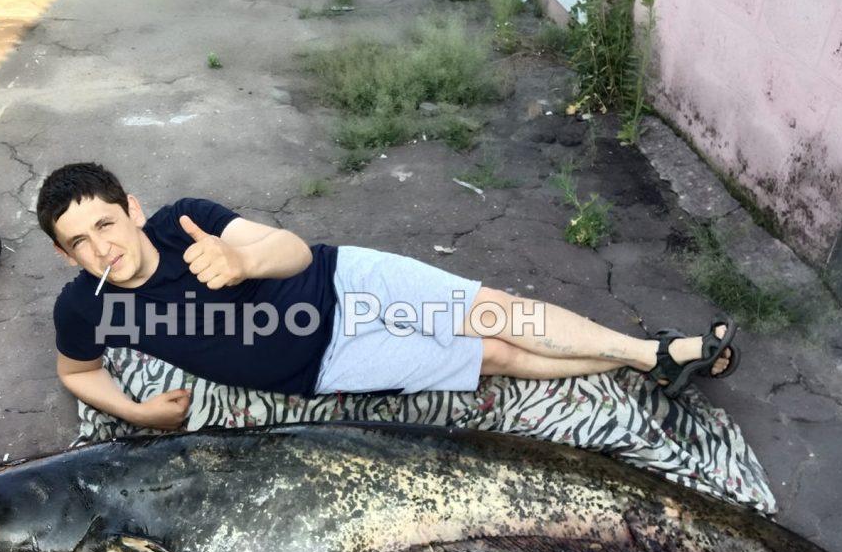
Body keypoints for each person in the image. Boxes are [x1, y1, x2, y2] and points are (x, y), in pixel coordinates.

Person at [38, 162, 737, 431]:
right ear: (65, 255)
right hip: (325, 366)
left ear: (132, 209)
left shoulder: (184, 219)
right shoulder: (85, 307)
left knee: (491, 311)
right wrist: (137, 411)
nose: (103, 247)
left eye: (106, 223)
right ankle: (652, 361)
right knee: (492, 355)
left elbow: (292, 249)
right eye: (80, 242)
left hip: (344, 283)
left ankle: (650, 350)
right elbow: (77, 371)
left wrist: (241, 258)